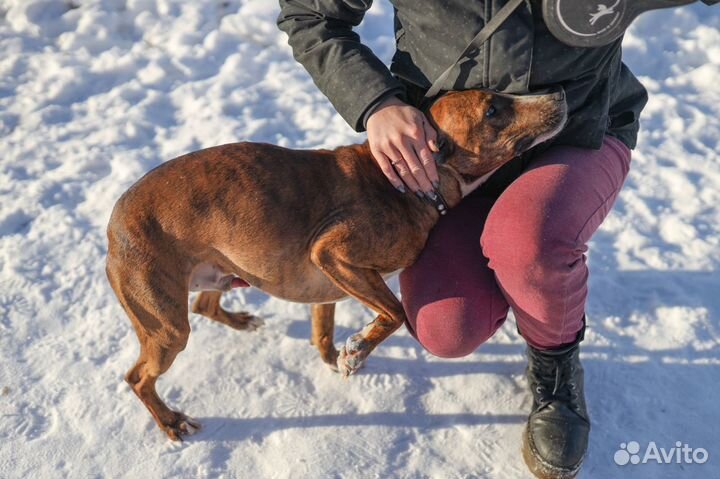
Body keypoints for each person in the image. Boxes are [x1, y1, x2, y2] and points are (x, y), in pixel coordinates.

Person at [277, 1, 648, 477]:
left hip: (575, 125)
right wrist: (377, 103)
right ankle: (516, 274)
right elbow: (311, 15)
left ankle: (554, 367)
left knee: (527, 242)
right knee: (445, 329)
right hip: (450, 154)